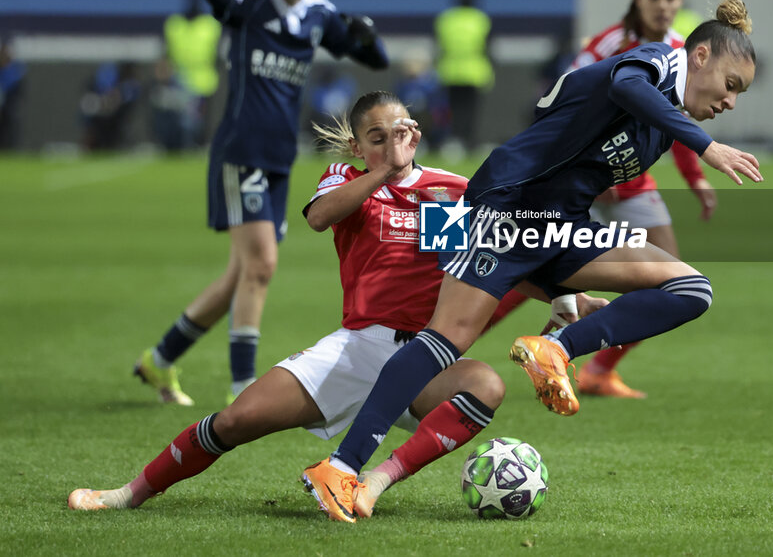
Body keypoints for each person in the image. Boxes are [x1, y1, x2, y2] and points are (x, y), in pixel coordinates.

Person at [300, 0, 763, 522]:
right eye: (731, 85)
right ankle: (341, 467)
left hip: (560, 227)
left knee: (689, 289)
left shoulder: (662, 125)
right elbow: (622, 87)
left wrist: (563, 290)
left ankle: (557, 350)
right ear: (700, 55)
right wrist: (706, 147)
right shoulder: (655, 61)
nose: (730, 102)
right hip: (509, 206)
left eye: (740, 94)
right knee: (445, 340)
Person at [68, 91, 603, 520]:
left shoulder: (449, 192)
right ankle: (127, 493)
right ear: (357, 147)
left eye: (399, 133)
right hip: (356, 347)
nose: (391, 144)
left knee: (485, 385)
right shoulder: (349, 182)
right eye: (376, 138)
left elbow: (482, 263)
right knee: (235, 421)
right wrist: (384, 173)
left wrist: (564, 294)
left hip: (421, 358)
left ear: (415, 134)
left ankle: (371, 481)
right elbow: (319, 217)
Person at [133, 0, 388, 407]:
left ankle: (157, 362)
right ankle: (242, 387)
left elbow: (373, 59)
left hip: (278, 160)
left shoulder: (319, 15)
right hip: (241, 152)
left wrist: (368, 36)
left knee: (240, 275)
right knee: (263, 266)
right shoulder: (247, 4)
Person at [569, 0, 718, 399]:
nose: (663, 4)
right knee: (524, 273)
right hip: (583, 179)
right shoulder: (605, 45)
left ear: (680, 1)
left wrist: (697, 180)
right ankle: (448, 350)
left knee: (672, 281)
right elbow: (565, 106)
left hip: (634, 184)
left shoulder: (683, 51)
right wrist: (591, 166)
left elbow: (677, 119)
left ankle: (598, 370)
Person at [434, 0, 492, 153]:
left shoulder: (446, 19)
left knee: (453, 108)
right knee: (471, 110)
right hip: (474, 70)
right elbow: (488, 45)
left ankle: (454, 140)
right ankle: (469, 141)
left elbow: (438, 45)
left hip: (450, 70)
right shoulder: (480, 19)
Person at [163, 0, 221, 141]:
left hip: (204, 80)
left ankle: (199, 142)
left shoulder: (209, 25)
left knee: (199, 119)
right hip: (180, 79)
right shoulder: (175, 25)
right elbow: (166, 52)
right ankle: (185, 144)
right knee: (184, 119)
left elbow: (217, 54)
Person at [78, 61, 143, 152]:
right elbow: (86, 105)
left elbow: (127, 97)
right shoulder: (92, 90)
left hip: (114, 118)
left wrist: (115, 100)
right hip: (99, 117)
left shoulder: (127, 87)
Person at [149, 55, 203, 152]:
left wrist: (169, 101)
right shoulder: (154, 85)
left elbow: (187, 105)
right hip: (167, 126)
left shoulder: (179, 83)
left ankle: (188, 146)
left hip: (184, 125)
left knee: (184, 120)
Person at [0, 37, 26, 151]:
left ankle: (10, 148)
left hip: (9, 104)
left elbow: (19, 89)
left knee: (10, 124)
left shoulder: (15, 70)